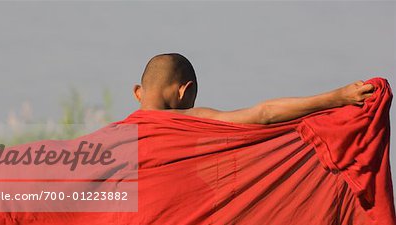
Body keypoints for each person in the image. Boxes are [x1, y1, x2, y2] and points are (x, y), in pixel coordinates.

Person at [133, 53, 375, 124]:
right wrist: (339, 97)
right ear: (184, 91)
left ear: (138, 92)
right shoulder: (188, 120)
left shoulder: (109, 143)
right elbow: (265, 113)